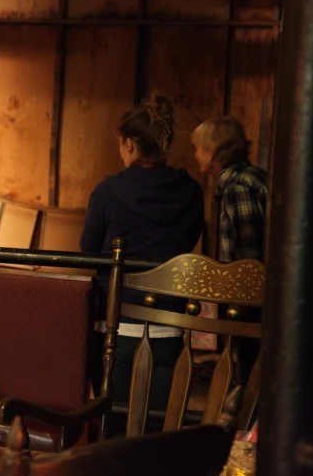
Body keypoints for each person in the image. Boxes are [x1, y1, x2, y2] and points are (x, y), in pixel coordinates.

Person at [81, 91, 204, 413]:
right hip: (171, 323)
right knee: (159, 422)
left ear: (130, 144)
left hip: (116, 324)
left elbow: (89, 251)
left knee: (115, 419)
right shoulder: (191, 190)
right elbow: (190, 240)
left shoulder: (107, 192)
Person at [192, 116, 267, 384]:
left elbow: (250, 259)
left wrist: (239, 304)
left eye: (199, 147)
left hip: (254, 306)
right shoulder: (248, 178)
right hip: (256, 305)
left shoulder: (238, 187)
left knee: (251, 377)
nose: (195, 153)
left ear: (212, 152)